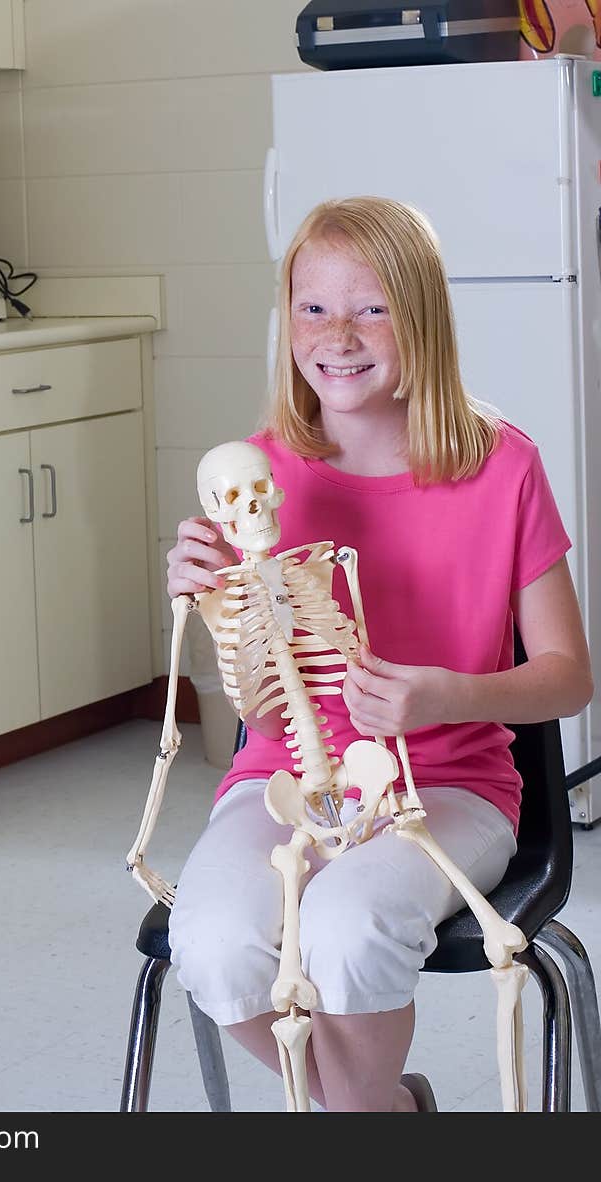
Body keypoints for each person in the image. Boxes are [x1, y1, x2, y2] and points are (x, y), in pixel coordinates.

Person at [164, 196, 593, 1112]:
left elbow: (569, 676)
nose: (338, 335)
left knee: (349, 926)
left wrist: (446, 697)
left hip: (449, 786)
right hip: (285, 779)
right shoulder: (261, 471)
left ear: (421, 318)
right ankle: (382, 1118)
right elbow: (261, 705)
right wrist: (209, 594)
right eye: (313, 308)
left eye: (372, 307)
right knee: (212, 942)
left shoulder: (502, 466)